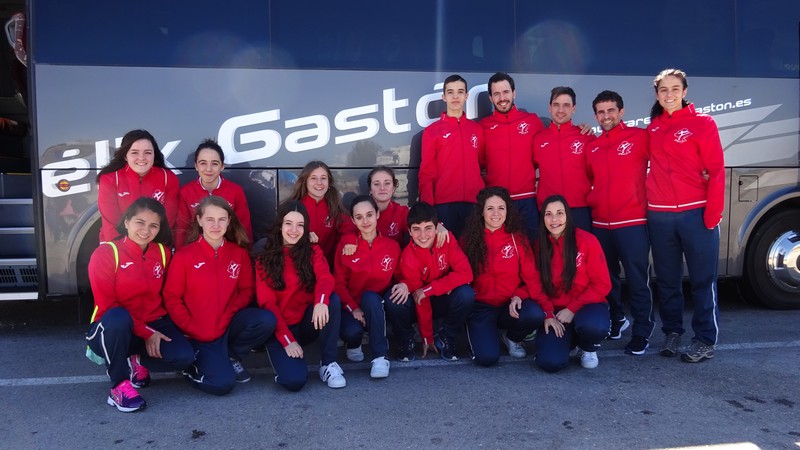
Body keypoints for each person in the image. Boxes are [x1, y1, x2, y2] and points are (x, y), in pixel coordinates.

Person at [86, 197, 194, 412]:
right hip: (113, 329)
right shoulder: (106, 254)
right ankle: (118, 386)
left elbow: (170, 294)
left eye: (154, 225)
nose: (146, 230)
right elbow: (107, 305)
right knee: (118, 317)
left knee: (184, 357)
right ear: (126, 222)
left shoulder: (162, 253)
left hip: (153, 322)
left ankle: (138, 360)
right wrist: (146, 333)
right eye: (140, 222)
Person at [646, 68, 724, 363]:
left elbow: (716, 170)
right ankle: (672, 332)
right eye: (663, 90)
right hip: (660, 216)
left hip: (696, 214)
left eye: (675, 89)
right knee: (667, 281)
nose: (669, 95)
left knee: (703, 282)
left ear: (684, 91)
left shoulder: (703, 123)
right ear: (657, 94)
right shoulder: (653, 128)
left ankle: (704, 340)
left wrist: (712, 215)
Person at [163, 196, 275, 395]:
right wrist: (191, 326)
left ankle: (230, 356)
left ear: (229, 221)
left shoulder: (238, 253)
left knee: (265, 320)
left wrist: (229, 313)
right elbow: (171, 297)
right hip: (198, 332)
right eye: (210, 219)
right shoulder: (184, 256)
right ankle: (190, 367)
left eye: (221, 219)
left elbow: (247, 290)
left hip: (227, 325)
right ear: (199, 220)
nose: (216, 225)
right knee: (222, 385)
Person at [586, 90, 654, 355]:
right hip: (601, 223)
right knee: (605, 280)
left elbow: (667, 159)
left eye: (611, 110)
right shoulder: (592, 146)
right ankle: (616, 320)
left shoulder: (639, 137)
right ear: (595, 116)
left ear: (621, 112)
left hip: (632, 221)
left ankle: (642, 332)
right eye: (601, 112)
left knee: (637, 280)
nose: (606, 116)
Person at [255, 200, 346, 391]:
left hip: (306, 323)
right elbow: (267, 303)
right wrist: (287, 340)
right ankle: (284, 363)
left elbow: (325, 278)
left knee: (331, 300)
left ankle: (328, 364)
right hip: (280, 328)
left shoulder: (312, 250)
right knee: (294, 382)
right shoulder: (265, 257)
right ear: (280, 225)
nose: (294, 230)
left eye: (300, 225)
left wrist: (321, 302)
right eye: (289, 223)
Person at [461, 187, 547, 367]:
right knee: (487, 358)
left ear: (508, 211)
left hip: (510, 305)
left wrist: (520, 295)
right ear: (481, 211)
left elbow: (532, 278)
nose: (496, 213)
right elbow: (458, 275)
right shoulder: (469, 240)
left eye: (501, 208)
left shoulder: (517, 238)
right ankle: (483, 333)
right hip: (481, 308)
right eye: (490, 208)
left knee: (534, 314)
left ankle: (511, 337)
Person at [385, 202, 474, 361]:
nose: (423, 235)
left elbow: (466, 273)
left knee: (466, 294)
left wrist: (430, 289)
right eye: (416, 229)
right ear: (409, 231)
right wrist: (427, 338)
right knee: (395, 299)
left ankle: (446, 336)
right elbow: (420, 299)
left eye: (428, 228)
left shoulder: (446, 239)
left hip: (437, 294)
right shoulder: (408, 257)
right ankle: (406, 339)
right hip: (416, 300)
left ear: (437, 227)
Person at [532, 195, 612, 372]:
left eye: (559, 213)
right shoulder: (539, 246)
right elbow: (535, 284)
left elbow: (602, 284)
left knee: (593, 326)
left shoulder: (587, 241)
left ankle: (588, 347)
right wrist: (548, 314)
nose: (554, 219)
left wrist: (572, 308)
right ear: (542, 218)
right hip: (558, 313)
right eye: (548, 214)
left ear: (568, 215)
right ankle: (569, 342)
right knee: (550, 363)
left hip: (587, 306)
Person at [334, 195, 401, 378]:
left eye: (369, 215)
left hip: (378, 305)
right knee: (352, 332)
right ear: (353, 220)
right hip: (352, 307)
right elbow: (338, 284)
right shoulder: (346, 247)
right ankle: (354, 342)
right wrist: (353, 308)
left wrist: (405, 284)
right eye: (359, 217)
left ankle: (380, 357)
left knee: (371, 297)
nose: (365, 221)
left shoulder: (392, 246)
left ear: (377, 214)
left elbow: (400, 276)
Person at [479, 73, 545, 242]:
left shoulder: (532, 121)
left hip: (527, 201)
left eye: (506, 92)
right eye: (496, 94)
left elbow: (548, 151)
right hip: (497, 204)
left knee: (533, 248)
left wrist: (581, 128)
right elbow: (479, 162)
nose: (502, 98)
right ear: (490, 98)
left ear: (514, 93)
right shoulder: (483, 127)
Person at [419, 74, 484, 238]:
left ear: (466, 96)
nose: (455, 96)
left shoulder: (477, 130)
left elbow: (482, 165)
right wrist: (429, 212)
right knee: (446, 252)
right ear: (444, 97)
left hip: (474, 204)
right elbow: (426, 174)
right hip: (444, 206)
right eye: (450, 92)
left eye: (460, 92)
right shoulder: (432, 131)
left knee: (473, 251)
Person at [96, 129, 179, 243]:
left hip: (154, 241)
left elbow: (167, 221)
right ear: (125, 156)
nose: (141, 158)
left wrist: (150, 247)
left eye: (148, 152)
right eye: (134, 152)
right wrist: (130, 248)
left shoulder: (168, 178)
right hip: (117, 242)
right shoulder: (109, 179)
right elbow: (111, 222)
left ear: (154, 155)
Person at [532, 87, 594, 231]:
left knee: (581, 246)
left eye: (566, 105)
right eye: (556, 105)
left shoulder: (586, 137)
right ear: (550, 107)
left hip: (579, 209)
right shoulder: (538, 139)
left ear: (574, 108)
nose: (560, 110)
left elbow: (595, 174)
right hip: (549, 211)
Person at [175, 139, 252, 248]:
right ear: (196, 166)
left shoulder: (235, 191)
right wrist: (181, 255)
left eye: (214, 163)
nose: (208, 169)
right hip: (196, 252)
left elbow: (244, 228)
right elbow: (182, 231)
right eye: (203, 163)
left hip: (229, 252)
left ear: (222, 166)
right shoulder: (186, 192)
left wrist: (245, 253)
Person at [289, 160, 355, 267]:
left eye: (323, 178)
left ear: (329, 183)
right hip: (300, 268)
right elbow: (282, 235)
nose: (319, 182)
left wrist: (349, 240)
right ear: (305, 182)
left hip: (328, 268)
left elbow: (349, 227)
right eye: (313, 178)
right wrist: (303, 235)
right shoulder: (293, 207)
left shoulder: (334, 206)